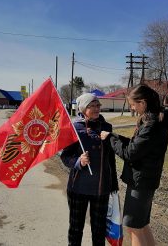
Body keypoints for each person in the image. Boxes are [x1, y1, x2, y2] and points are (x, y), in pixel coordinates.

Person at [100, 84, 168, 246]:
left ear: (143, 103)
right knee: (142, 225)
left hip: (141, 182)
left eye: (133, 104)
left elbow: (130, 153)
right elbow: (136, 145)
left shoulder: (151, 125)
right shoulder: (152, 121)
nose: (132, 107)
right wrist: (114, 136)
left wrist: (110, 140)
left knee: (133, 227)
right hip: (145, 180)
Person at [61, 93, 119, 246]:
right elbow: (65, 156)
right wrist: (78, 161)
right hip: (77, 188)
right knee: (75, 228)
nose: (96, 108)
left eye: (97, 105)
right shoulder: (73, 128)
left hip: (101, 189)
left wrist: (113, 183)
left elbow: (110, 158)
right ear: (82, 108)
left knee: (99, 230)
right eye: (91, 106)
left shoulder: (107, 127)